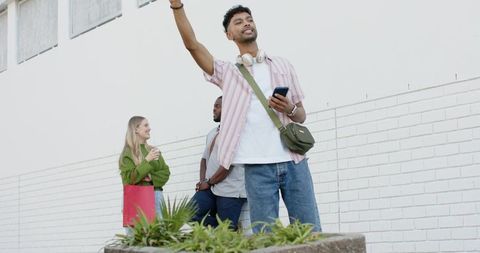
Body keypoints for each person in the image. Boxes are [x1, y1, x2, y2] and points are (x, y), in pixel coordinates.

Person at [169, 2, 321, 233]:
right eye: (238, 22)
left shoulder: (282, 64)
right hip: (257, 168)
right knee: (266, 238)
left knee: (311, 232)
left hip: (294, 163)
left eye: (249, 19)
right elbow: (192, 45)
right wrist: (177, 6)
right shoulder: (227, 73)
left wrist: (289, 108)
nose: (246, 23)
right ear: (229, 35)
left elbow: (301, 116)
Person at [191, 96, 247, 230]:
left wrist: (209, 182)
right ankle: (227, 228)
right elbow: (204, 159)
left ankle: (228, 228)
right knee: (189, 214)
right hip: (210, 187)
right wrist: (203, 181)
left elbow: (228, 166)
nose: (214, 109)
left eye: (217, 106)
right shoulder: (212, 133)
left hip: (231, 190)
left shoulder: (238, 133)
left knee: (225, 232)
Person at [119, 116, 170, 218]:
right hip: (137, 200)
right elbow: (129, 179)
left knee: (160, 233)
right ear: (136, 129)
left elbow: (165, 172)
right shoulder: (127, 154)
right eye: (146, 125)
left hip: (157, 197)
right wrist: (147, 160)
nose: (149, 128)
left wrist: (150, 178)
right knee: (138, 233)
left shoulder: (153, 150)